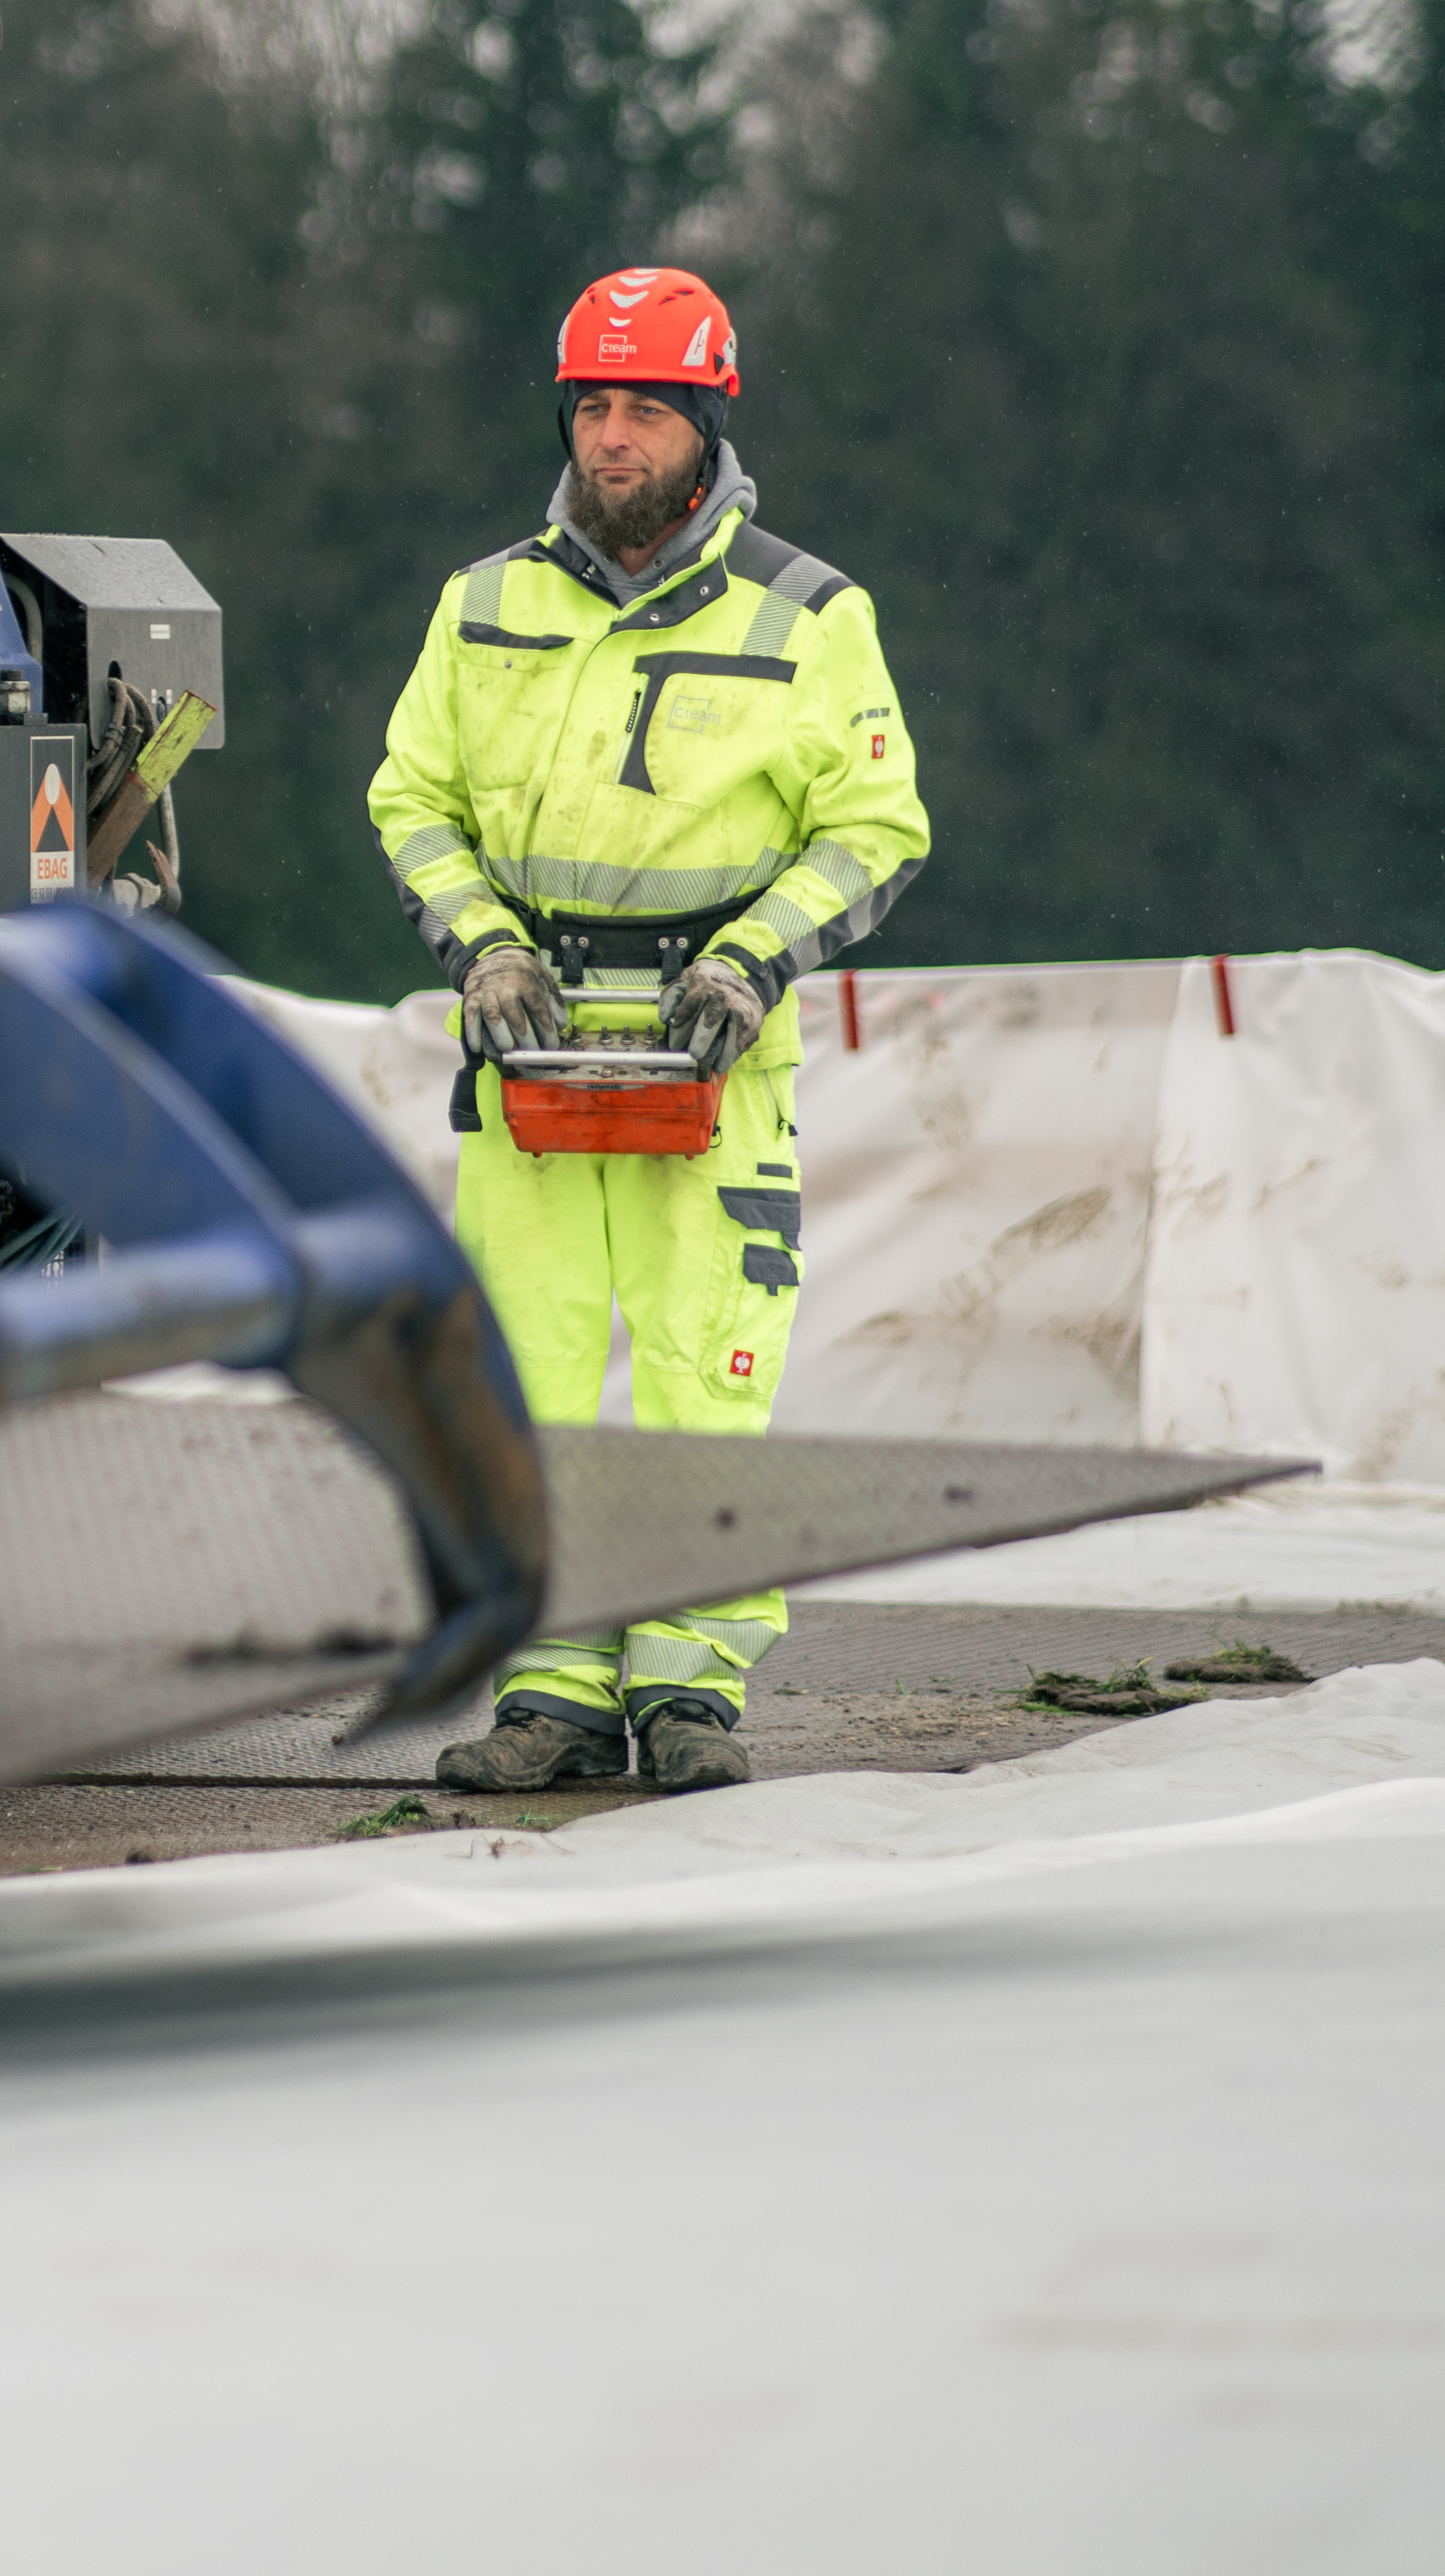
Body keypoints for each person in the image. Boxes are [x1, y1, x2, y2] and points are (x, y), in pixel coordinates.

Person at [361, 266, 930, 1795]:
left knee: (702, 1371)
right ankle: (550, 1690)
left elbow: (876, 829)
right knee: (530, 1373)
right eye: (593, 405)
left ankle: (686, 1687)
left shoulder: (810, 615)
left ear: (705, 422)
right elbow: (410, 798)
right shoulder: (481, 606)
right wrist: (480, 945)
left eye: (645, 410)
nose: (613, 438)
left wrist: (749, 961)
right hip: (531, 1049)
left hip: (711, 1054)